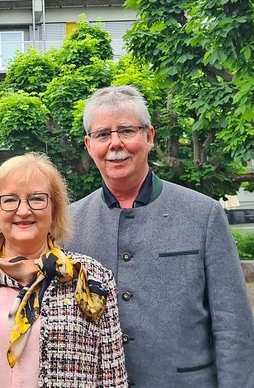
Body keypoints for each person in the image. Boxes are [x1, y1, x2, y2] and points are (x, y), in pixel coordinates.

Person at [67, 85, 254, 387]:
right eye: (103, 135)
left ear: (149, 137)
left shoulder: (202, 214)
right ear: (89, 145)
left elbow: (233, 325)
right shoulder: (68, 224)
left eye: (127, 130)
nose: (115, 144)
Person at [0, 153, 127, 387]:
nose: (23, 211)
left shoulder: (89, 277)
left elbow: (112, 376)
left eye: (37, 199)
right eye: (10, 200)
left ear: (54, 207)